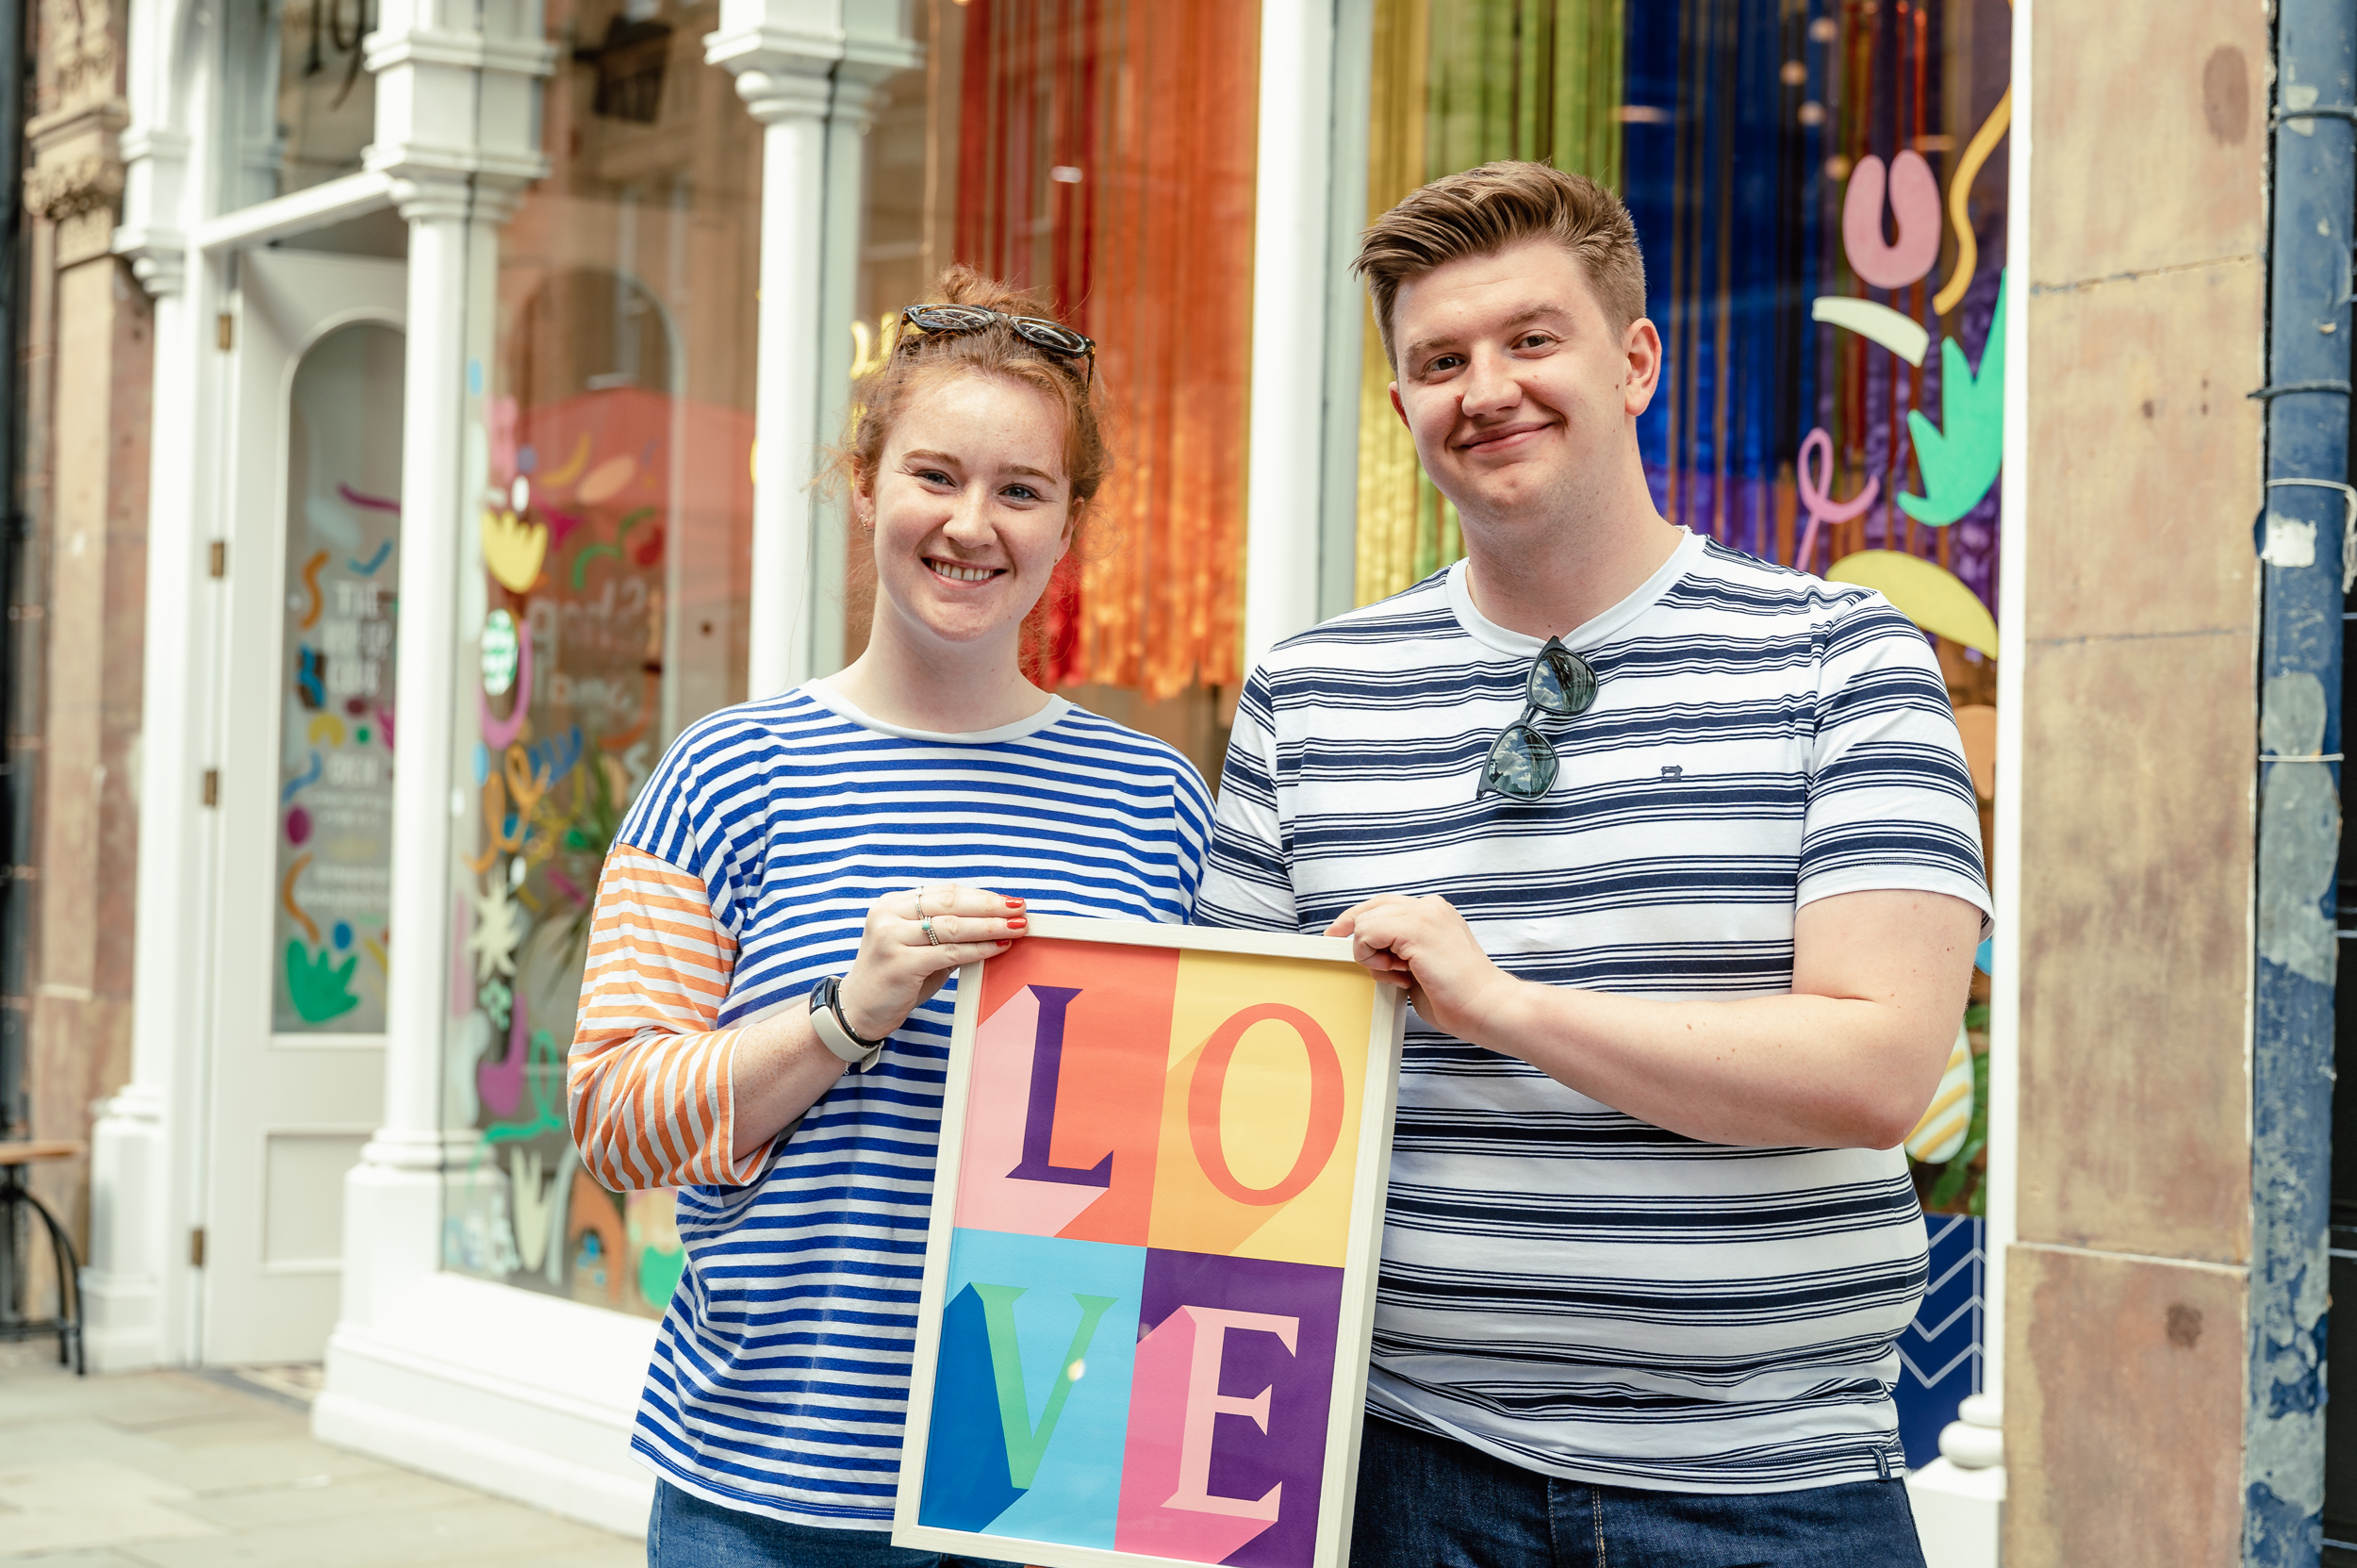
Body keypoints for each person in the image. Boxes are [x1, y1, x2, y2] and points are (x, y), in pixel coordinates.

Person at [1196, 162, 1990, 1566]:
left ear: (1634, 362)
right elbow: (1228, 1101)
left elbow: (1878, 1073)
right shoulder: (1309, 695)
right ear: (1403, 413)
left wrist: (1501, 1006)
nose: (1485, 387)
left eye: (1529, 339)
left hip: (1767, 1492)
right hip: (1398, 1479)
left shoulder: (1842, 659)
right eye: (1440, 361)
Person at [569, 268, 1213, 1567]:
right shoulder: (724, 774)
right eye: (934, 475)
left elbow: (1211, 1157)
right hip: (767, 1495)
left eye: (1020, 490)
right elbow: (610, 1123)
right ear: (864, 483)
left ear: (1068, 523)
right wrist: (841, 1016)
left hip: (1055, 1492)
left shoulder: (1158, 802)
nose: (971, 524)